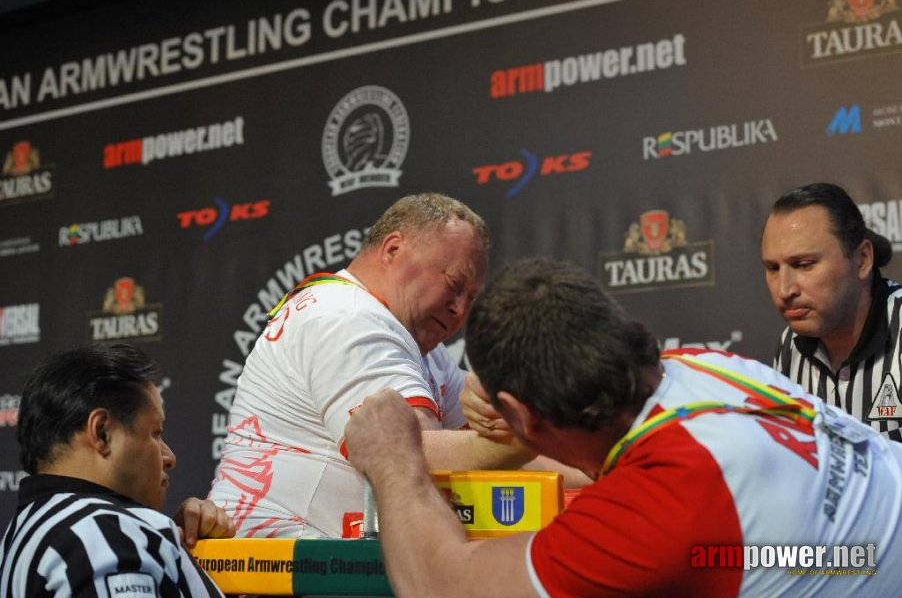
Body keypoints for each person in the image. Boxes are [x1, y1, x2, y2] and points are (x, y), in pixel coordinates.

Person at [344, 257, 902, 597]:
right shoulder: (707, 366)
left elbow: (440, 585)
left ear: (523, 412)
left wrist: (394, 458)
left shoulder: (656, 510)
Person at [208, 192, 560, 539]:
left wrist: (593, 464)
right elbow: (409, 457)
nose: (460, 310)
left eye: (471, 298)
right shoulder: (346, 315)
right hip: (266, 568)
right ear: (392, 249)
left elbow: (494, 453)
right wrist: (520, 439)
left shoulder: (424, 349)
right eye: (454, 284)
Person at [0, 343, 233, 597]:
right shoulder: (104, 533)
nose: (169, 457)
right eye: (154, 433)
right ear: (102, 433)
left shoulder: (21, 533)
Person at [762, 182, 902, 441]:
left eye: (803, 265)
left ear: (862, 259)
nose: (784, 289)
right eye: (772, 268)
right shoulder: (789, 346)